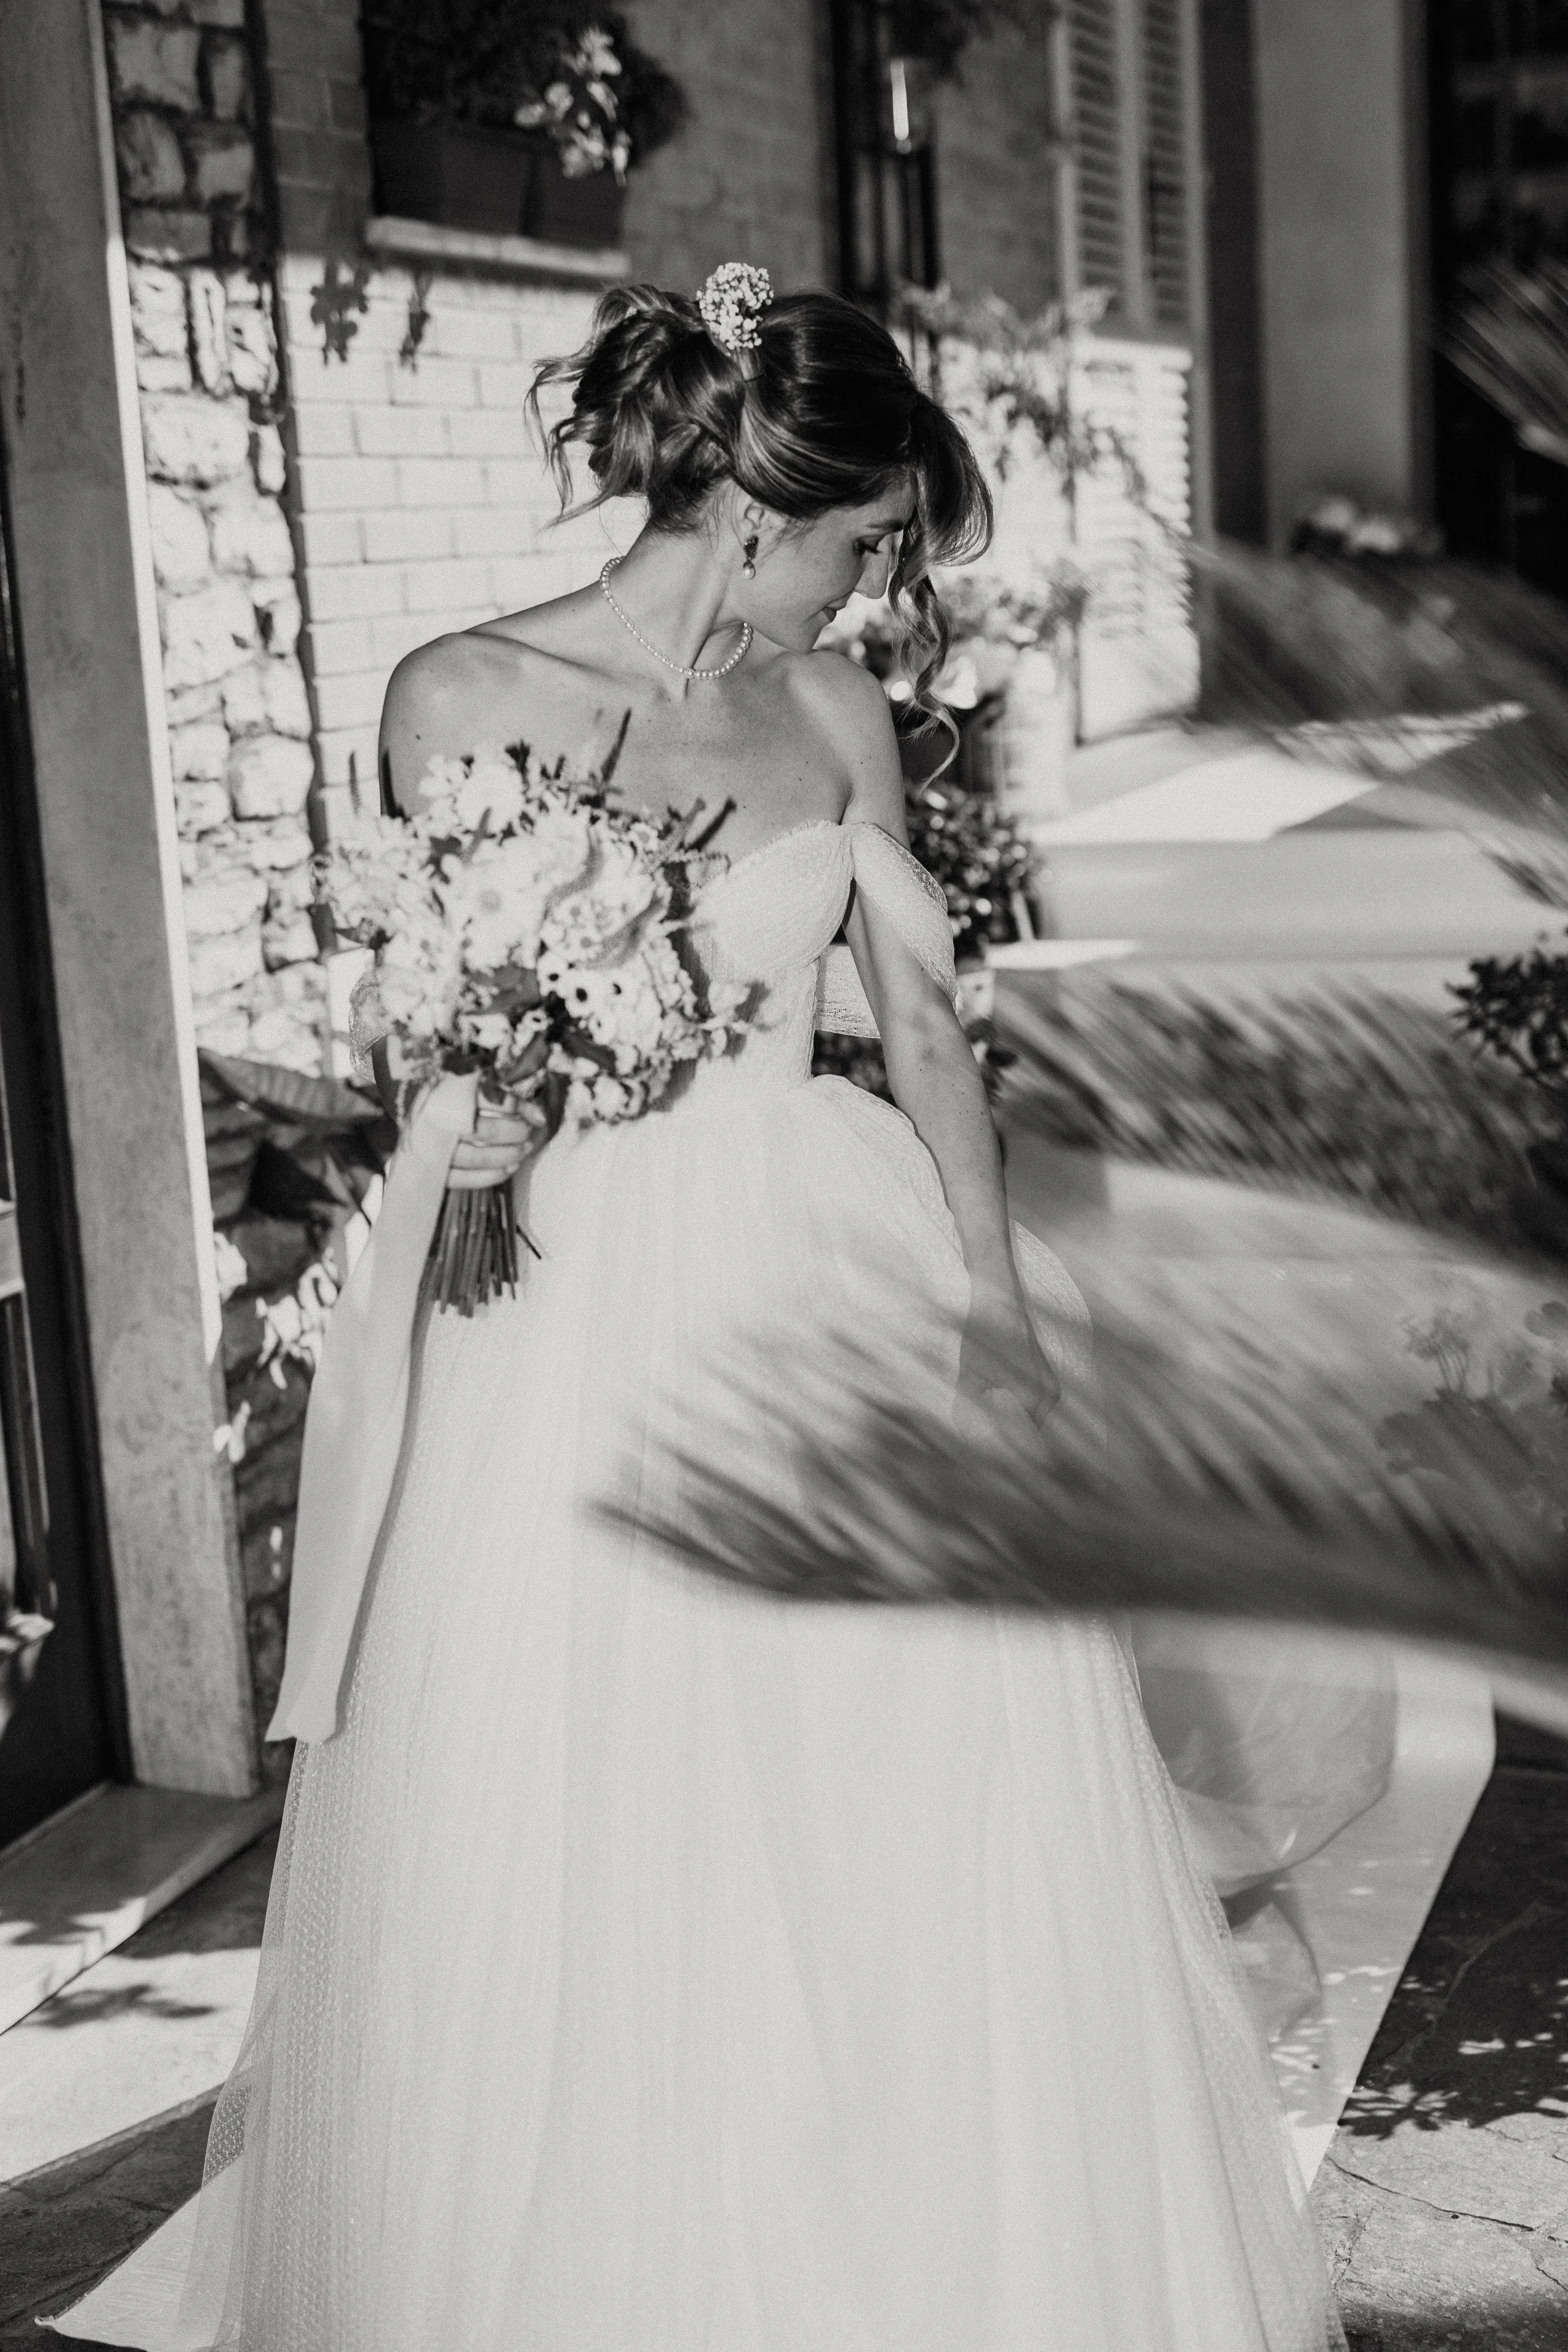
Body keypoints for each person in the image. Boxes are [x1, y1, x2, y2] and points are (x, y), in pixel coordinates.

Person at [52, 267, 1345, 2350]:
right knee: (582, 1791)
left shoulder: (833, 719)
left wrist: (993, 1300)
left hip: (815, 1258)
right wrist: (467, 1116)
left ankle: (909, 2242)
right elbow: (431, 1027)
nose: (877, 592)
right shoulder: (455, 694)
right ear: (758, 506)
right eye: (867, 543)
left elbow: (922, 1029)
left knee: (894, 1776)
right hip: (562, 1309)